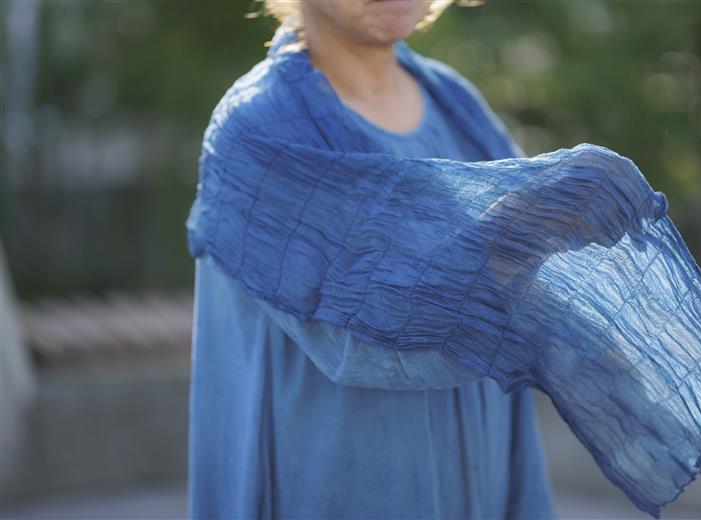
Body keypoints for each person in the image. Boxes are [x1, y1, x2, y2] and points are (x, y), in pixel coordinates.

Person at [188, 1, 557, 518]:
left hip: (481, 480)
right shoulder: (259, 128)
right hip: (339, 485)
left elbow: (522, 313)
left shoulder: (455, 104)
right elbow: (363, 342)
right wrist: (513, 247)